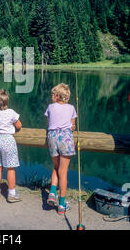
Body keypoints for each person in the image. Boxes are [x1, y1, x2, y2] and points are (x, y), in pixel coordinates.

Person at [44, 83, 77, 215]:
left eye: (52, 94)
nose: (51, 96)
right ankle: (62, 205)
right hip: (66, 138)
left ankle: (52, 192)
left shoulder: (50, 107)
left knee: (56, 167)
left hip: (52, 137)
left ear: (58, 96)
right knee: (63, 172)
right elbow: (73, 126)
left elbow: (49, 123)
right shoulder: (71, 108)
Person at [0, 89, 22, 203]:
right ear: (6, 102)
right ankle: (11, 194)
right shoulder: (11, 112)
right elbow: (19, 125)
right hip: (8, 141)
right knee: (10, 168)